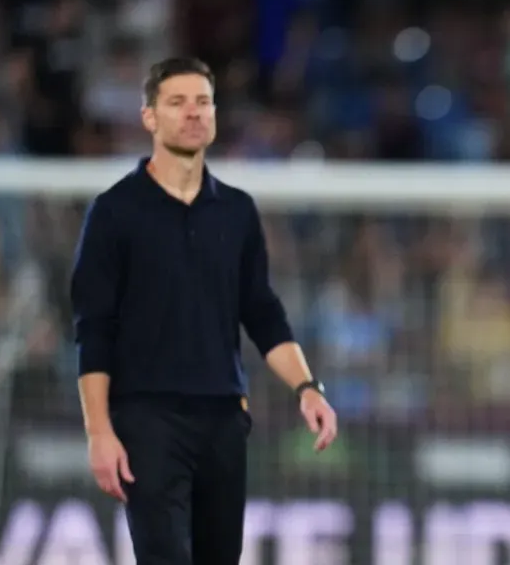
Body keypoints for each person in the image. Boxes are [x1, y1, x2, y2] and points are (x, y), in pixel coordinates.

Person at [70, 57, 338, 565]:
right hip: (147, 417)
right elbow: (93, 330)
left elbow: (261, 311)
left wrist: (308, 389)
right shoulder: (114, 212)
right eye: (177, 103)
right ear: (149, 117)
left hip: (223, 418)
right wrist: (99, 432)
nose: (193, 113)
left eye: (203, 102)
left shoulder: (237, 211)